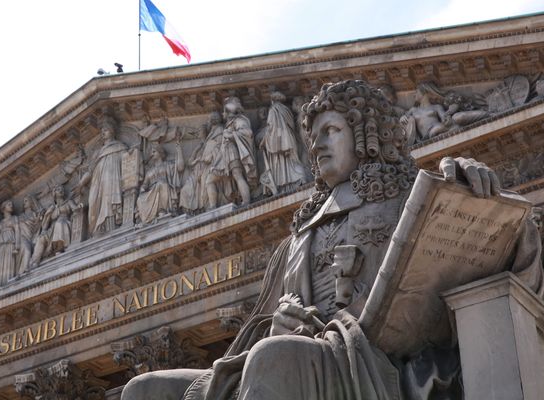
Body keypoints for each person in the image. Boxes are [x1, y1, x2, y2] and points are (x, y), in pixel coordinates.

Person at [121, 80, 544, 400]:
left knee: (276, 358)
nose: (317, 146)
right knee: (145, 388)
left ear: (365, 135)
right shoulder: (299, 235)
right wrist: (277, 323)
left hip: (371, 361)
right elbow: (249, 340)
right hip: (303, 357)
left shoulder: (413, 200)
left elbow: (508, 258)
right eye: (314, 137)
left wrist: (479, 197)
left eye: (331, 131)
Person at [75, 114, 128, 236]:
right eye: (102, 131)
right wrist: (80, 184)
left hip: (112, 179)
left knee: (109, 200)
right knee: (95, 203)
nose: (103, 133)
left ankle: (111, 225)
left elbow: (129, 162)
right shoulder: (97, 153)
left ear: (112, 131)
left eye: (106, 130)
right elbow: (90, 171)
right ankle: (98, 228)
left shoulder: (120, 147)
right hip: (97, 182)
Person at [209, 97, 257, 207]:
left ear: (228, 111)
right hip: (225, 155)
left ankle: (246, 202)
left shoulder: (238, 121)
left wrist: (230, 135)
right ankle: (213, 206)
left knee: (237, 175)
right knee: (212, 179)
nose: (222, 114)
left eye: (224, 111)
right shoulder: (230, 123)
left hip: (232, 153)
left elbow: (247, 133)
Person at [260, 91, 308, 194]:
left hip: (277, 142)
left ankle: (286, 185)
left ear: (272, 100)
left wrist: (263, 141)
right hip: (289, 140)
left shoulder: (273, 109)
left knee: (283, 164)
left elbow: (271, 127)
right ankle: (301, 179)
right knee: (293, 161)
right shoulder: (286, 109)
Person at [29, 185, 82, 268]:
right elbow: (45, 226)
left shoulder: (68, 202)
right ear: (54, 193)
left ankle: (59, 249)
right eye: (58, 189)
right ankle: (34, 262)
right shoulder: (52, 208)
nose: (60, 190)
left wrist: (79, 206)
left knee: (59, 224)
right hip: (52, 229)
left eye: (62, 189)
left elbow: (75, 208)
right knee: (41, 238)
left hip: (65, 222)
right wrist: (47, 214)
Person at [137, 142, 184, 225]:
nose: (152, 154)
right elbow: (145, 184)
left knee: (161, 184)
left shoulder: (168, 165)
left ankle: (162, 210)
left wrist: (179, 150)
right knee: (140, 198)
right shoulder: (149, 171)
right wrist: (142, 188)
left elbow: (180, 168)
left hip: (164, 188)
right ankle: (149, 217)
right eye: (151, 152)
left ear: (160, 152)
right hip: (152, 193)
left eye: (154, 151)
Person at [0, 200, 20, 287]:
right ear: (3, 208)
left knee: (9, 264)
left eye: (11, 204)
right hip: (1, 245)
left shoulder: (14, 218)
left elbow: (17, 231)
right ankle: (0, 285)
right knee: (1, 266)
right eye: (9, 204)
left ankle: (8, 283)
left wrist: (17, 246)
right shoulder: (0, 223)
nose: (11, 206)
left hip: (10, 243)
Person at [16, 195, 42, 275]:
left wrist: (39, 219)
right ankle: (23, 271)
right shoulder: (20, 217)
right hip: (22, 237)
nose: (24, 203)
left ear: (31, 202)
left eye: (26, 201)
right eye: (24, 201)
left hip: (32, 236)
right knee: (27, 250)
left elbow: (37, 227)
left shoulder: (35, 215)